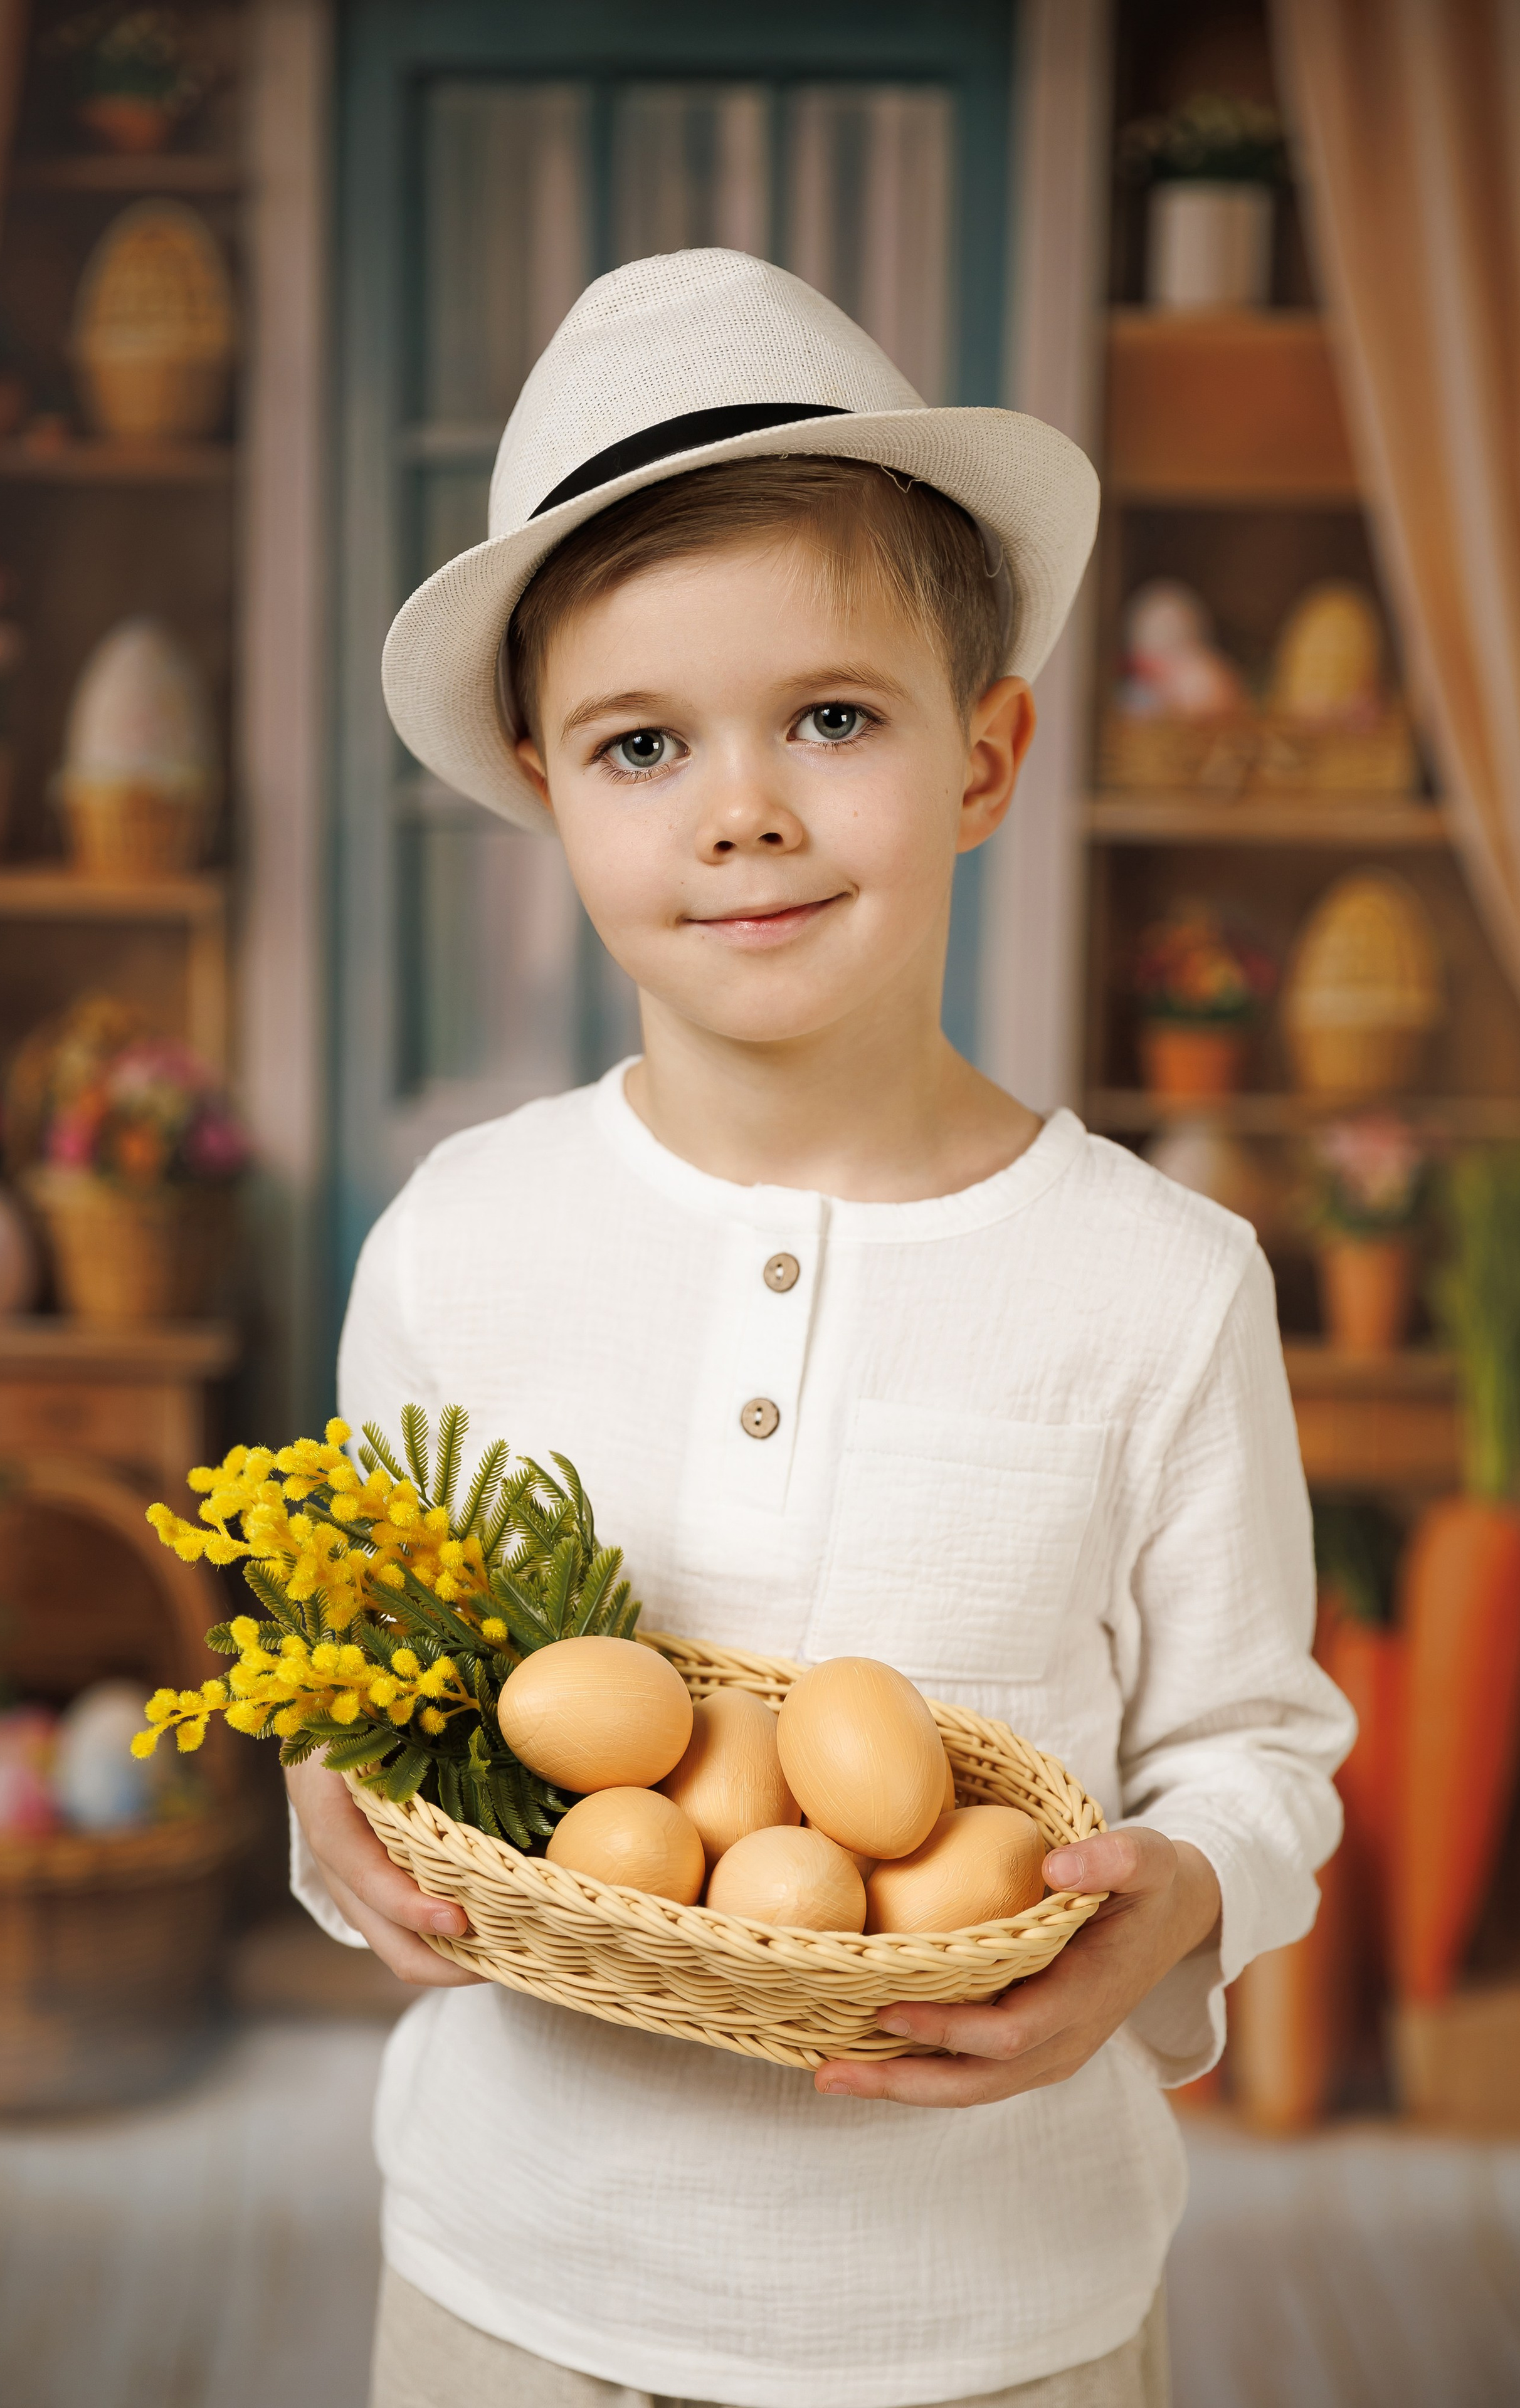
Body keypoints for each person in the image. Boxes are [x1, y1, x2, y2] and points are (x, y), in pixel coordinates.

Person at [288, 249, 1354, 2408]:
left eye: (834, 719)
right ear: (546, 791)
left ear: (986, 755)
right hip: (518, 2286)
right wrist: (328, 1799)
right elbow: (385, 1697)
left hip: (990, 2322)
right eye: (644, 741)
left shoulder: (1157, 1283)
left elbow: (1262, 1745)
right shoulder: (461, 1244)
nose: (742, 806)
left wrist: (1185, 1893)